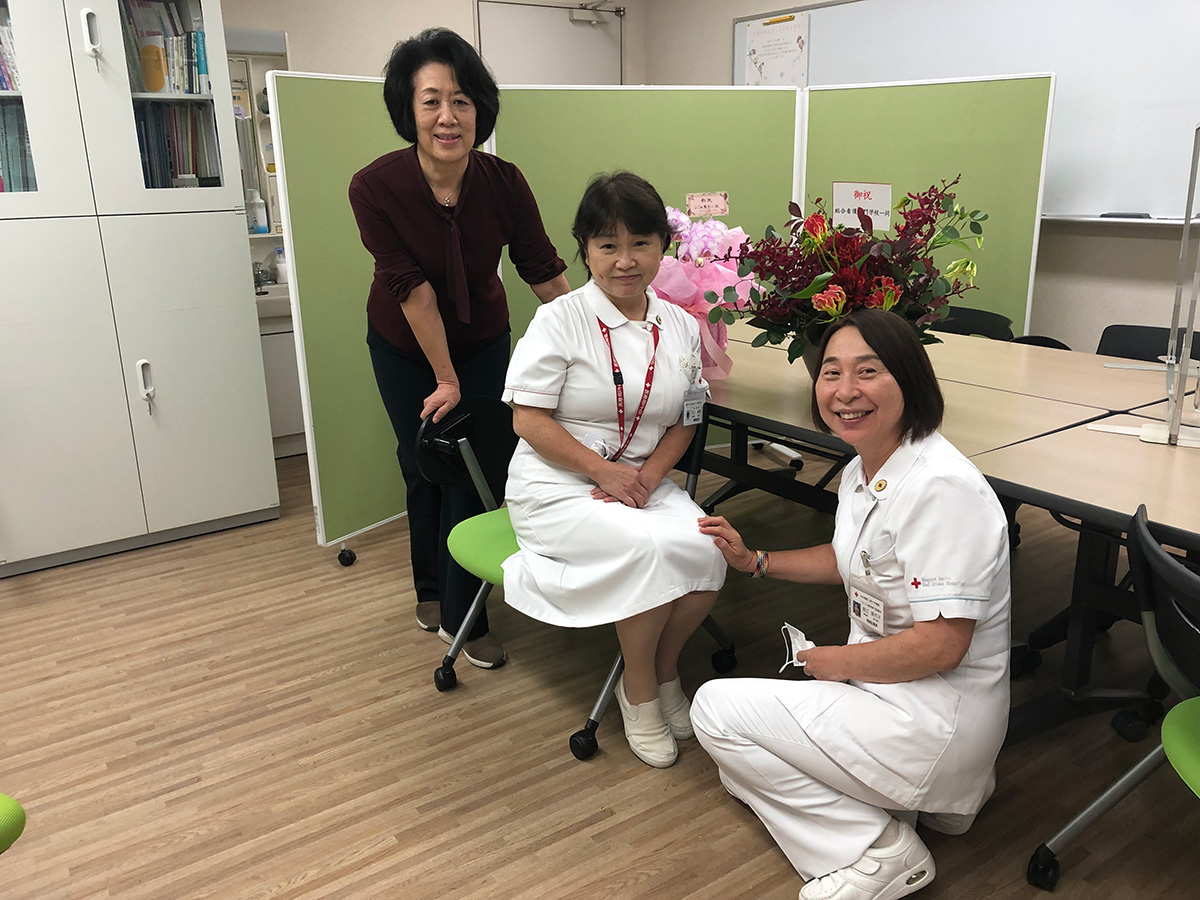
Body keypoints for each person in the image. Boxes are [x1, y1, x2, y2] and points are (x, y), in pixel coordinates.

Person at [693, 308, 1011, 900]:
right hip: (896, 697)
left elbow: (941, 645)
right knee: (742, 768)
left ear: (910, 380)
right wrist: (756, 561)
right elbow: (851, 557)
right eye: (831, 373)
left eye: (868, 371)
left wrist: (827, 662)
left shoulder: (940, 487)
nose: (845, 391)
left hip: (930, 715)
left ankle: (881, 852)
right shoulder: (870, 466)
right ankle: (930, 802)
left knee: (714, 712)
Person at [348, 28, 569, 669]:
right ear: (409, 110)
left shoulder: (504, 182)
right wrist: (444, 379)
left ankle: (463, 617)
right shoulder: (375, 187)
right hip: (404, 346)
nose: (448, 116)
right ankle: (429, 587)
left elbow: (542, 271)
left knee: (475, 467)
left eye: (462, 100)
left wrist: (599, 331)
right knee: (423, 462)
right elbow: (412, 291)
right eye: (432, 101)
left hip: (481, 341)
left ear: (480, 109)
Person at [501, 172, 728, 768]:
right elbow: (528, 420)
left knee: (709, 551)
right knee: (647, 555)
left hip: (641, 481)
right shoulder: (560, 319)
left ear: (663, 247)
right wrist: (605, 473)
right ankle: (640, 691)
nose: (625, 261)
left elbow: (689, 416)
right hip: (558, 484)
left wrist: (648, 477)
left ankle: (666, 671)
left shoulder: (680, 325)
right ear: (585, 250)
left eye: (641, 244)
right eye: (608, 245)